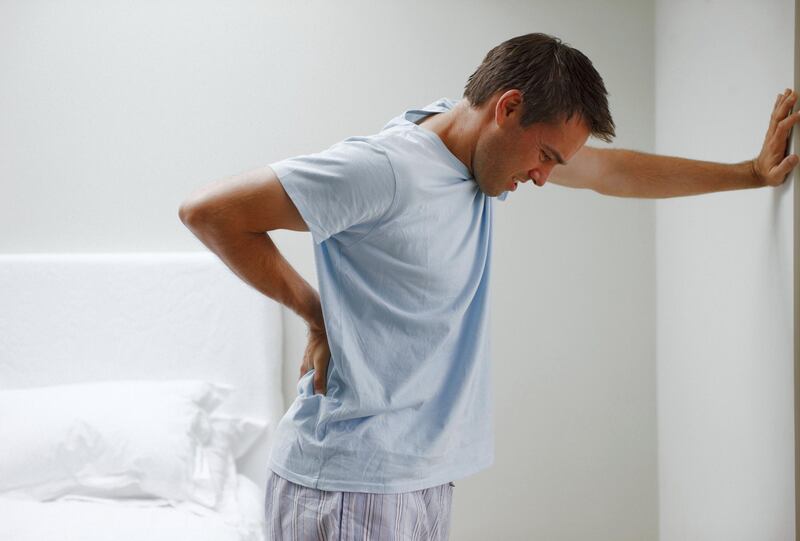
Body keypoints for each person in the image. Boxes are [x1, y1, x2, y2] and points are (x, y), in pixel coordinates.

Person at [178, 32, 797, 541]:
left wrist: (749, 174)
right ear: (507, 108)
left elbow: (615, 172)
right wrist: (314, 314)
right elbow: (210, 211)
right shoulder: (386, 169)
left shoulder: (466, 147)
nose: (544, 177)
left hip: (418, 478)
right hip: (350, 487)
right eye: (547, 156)